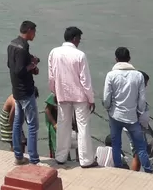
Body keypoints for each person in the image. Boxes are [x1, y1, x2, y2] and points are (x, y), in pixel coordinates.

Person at [47, 26, 96, 168]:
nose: (79, 42)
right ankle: (86, 160)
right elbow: (85, 80)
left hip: (62, 94)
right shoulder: (80, 55)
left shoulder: (54, 53)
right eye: (79, 39)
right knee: (83, 126)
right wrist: (91, 99)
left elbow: (51, 76)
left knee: (63, 125)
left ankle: (60, 157)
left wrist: (55, 92)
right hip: (80, 96)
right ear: (75, 39)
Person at [102, 47, 151, 171]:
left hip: (115, 115)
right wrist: (139, 112)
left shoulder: (110, 75)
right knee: (140, 147)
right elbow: (142, 99)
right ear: (129, 59)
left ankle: (118, 168)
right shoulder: (138, 76)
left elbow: (106, 98)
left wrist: (108, 108)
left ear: (116, 59)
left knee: (116, 144)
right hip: (132, 117)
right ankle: (148, 171)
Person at [7, 20, 40, 165]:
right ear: (29, 30)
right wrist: (32, 65)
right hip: (26, 91)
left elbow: (11, 64)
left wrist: (30, 61)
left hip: (16, 91)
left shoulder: (12, 44)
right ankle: (33, 159)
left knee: (17, 123)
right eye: (34, 31)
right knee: (33, 125)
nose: (35, 35)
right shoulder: (23, 47)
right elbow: (20, 70)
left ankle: (18, 156)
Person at [45, 92, 59, 160]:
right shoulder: (53, 95)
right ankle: (55, 158)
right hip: (54, 123)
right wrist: (54, 124)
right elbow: (47, 110)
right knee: (55, 143)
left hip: (63, 122)